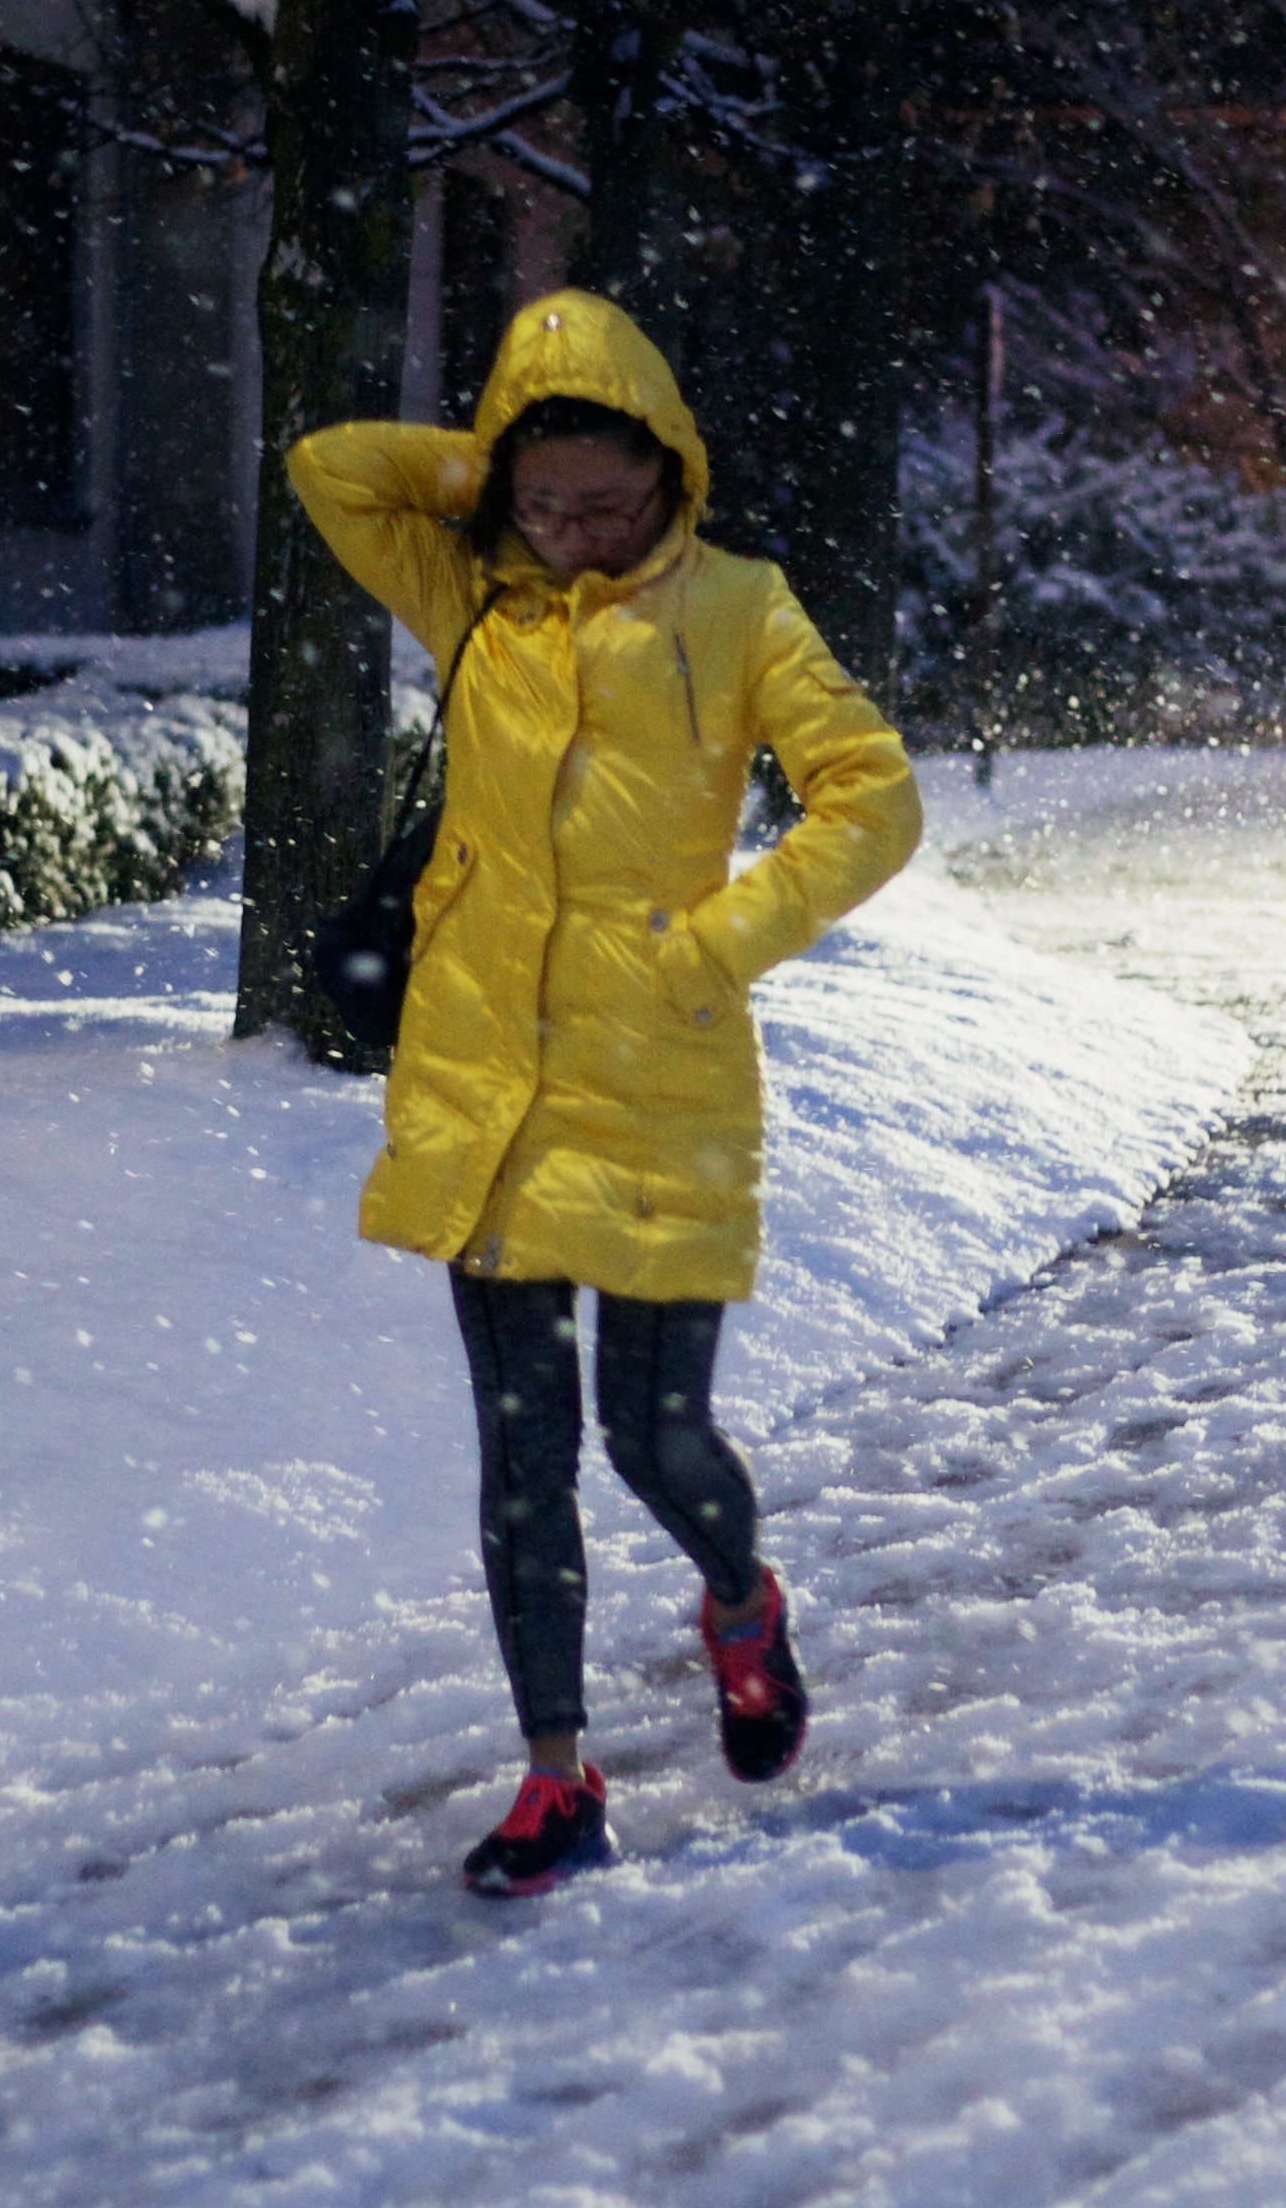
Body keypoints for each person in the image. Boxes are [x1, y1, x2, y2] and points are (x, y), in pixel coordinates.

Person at [290, 289, 924, 1898]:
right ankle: (556, 1777)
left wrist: (722, 940)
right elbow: (329, 470)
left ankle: (740, 1604)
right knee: (523, 1455)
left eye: (609, 504)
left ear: (674, 482)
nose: (574, 535)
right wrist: (487, 466)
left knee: (655, 1437)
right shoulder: (474, 594)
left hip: (660, 1074)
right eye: (546, 501)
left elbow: (876, 795)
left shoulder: (741, 608)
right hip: (486, 1079)